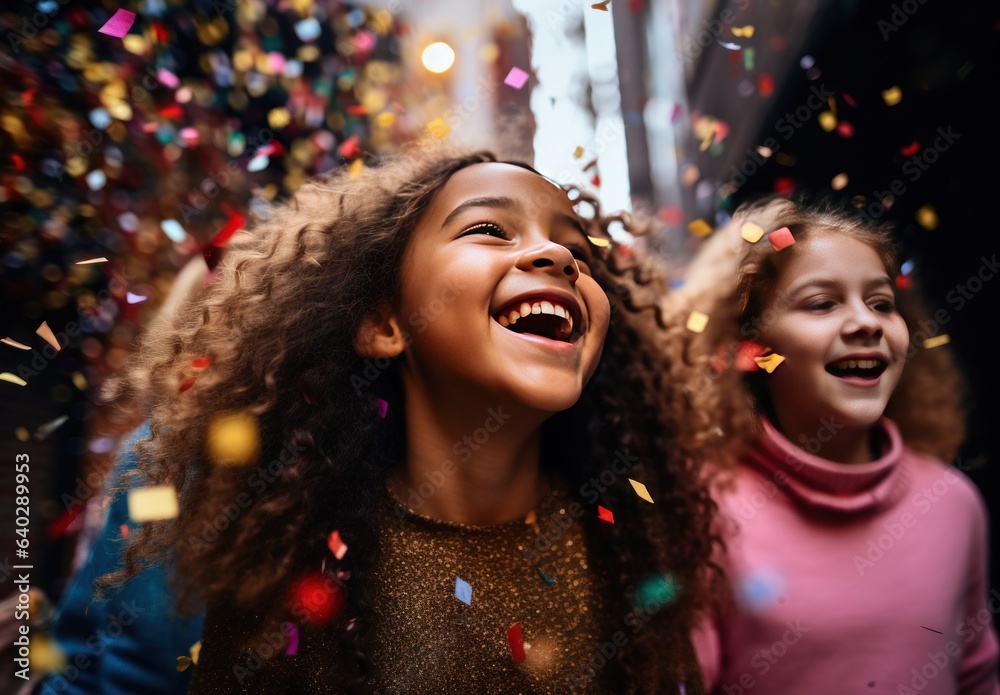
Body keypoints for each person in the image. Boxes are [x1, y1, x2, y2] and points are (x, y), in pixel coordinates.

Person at [95, 143, 724, 693]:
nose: (557, 255)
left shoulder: (629, 551)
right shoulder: (292, 571)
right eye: (489, 230)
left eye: (577, 247)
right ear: (384, 324)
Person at [676, 193, 1000, 693]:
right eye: (822, 303)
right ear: (751, 346)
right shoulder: (698, 509)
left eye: (881, 303)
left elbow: (977, 673)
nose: (867, 323)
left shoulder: (954, 502)